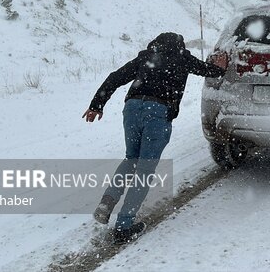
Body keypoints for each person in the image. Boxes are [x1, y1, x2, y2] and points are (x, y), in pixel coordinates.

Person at [82, 32, 226, 244]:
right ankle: (124, 226)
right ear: (179, 45)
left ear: (156, 43)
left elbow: (115, 77)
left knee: (131, 158)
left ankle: (107, 202)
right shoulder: (183, 58)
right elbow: (209, 71)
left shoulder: (145, 57)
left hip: (132, 108)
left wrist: (96, 105)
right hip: (157, 111)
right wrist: (220, 66)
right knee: (145, 169)